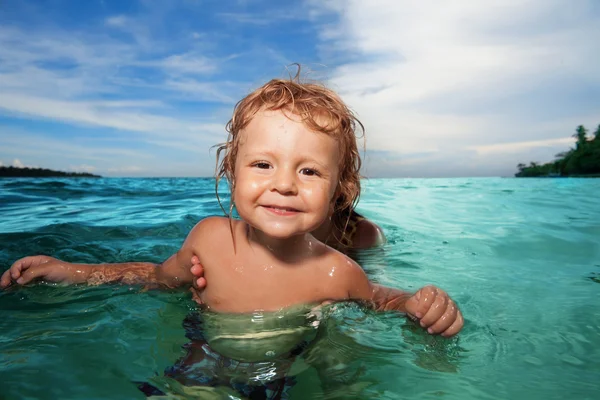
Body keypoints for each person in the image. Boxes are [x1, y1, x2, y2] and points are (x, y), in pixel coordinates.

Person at [1, 75, 463, 397]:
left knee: (348, 383)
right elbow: (157, 278)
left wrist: (416, 304)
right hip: (201, 364)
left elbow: (379, 298)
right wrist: (73, 272)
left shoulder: (336, 270)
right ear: (231, 170)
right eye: (263, 164)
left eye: (309, 170)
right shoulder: (209, 238)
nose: (283, 183)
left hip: (288, 366)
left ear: (339, 186)